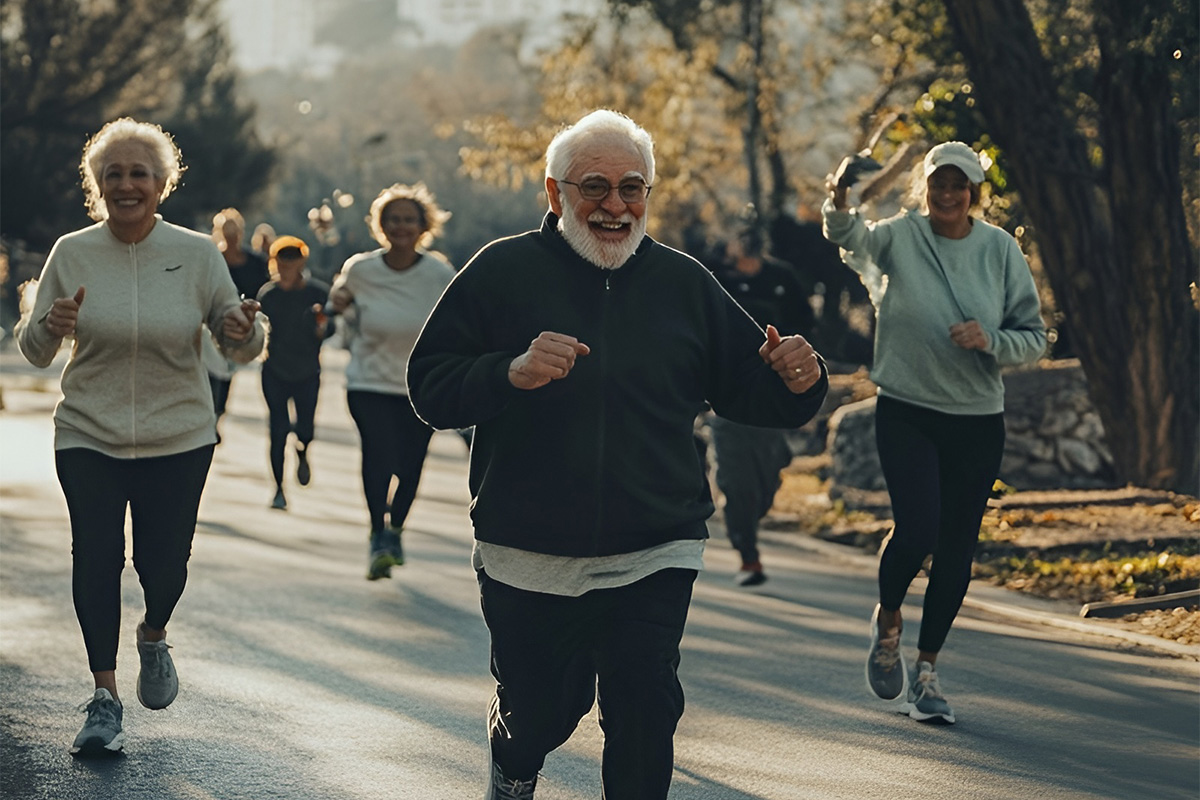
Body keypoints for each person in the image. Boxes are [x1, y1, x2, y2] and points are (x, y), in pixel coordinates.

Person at [407, 109, 828, 800]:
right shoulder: (501, 271)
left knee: (645, 707)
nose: (614, 205)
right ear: (555, 194)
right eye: (594, 187)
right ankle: (514, 760)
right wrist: (508, 372)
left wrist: (800, 380)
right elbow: (430, 386)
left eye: (632, 188)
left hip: (655, 543)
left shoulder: (684, 283)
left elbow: (752, 392)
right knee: (541, 711)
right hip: (528, 547)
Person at [13, 118, 264, 755]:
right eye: (114, 174)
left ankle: (153, 634)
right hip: (87, 433)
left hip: (178, 435)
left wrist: (242, 329)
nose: (127, 184)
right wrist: (51, 322)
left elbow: (238, 344)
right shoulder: (72, 251)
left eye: (139, 173)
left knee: (164, 564)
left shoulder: (199, 253)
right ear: (98, 185)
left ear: (162, 183)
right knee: (95, 558)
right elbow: (36, 351)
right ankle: (103, 697)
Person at [822, 141, 1046, 724]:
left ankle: (927, 672)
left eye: (959, 184)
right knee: (918, 527)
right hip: (908, 409)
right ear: (927, 187)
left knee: (955, 547)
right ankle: (889, 620)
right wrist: (841, 189)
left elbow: (1035, 337)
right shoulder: (901, 236)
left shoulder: (999, 250)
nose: (948, 193)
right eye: (939, 183)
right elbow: (848, 235)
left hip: (976, 419)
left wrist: (990, 340)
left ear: (975, 191)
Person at [328, 183, 455, 580]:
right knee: (378, 456)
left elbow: (459, 322)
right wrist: (336, 302)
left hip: (421, 387)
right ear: (380, 225)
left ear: (423, 226)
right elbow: (338, 299)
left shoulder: (439, 273)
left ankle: (396, 528)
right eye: (393, 219)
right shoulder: (361, 268)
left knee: (411, 465)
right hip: (368, 382)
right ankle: (377, 535)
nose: (401, 227)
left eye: (409, 220)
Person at [708, 225, 815, 586]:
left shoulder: (782, 277)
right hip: (725, 400)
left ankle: (745, 511)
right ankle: (748, 556)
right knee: (738, 482)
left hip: (772, 400)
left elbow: (807, 333)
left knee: (766, 480)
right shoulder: (713, 278)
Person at [255, 235, 333, 511]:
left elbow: (330, 327)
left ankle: (303, 451)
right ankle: (278, 489)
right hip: (274, 370)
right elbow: (258, 331)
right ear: (275, 262)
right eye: (282, 260)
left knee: (305, 428)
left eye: (293, 259)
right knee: (277, 429)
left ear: (302, 261)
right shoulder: (268, 294)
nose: (288, 265)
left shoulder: (317, 293)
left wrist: (322, 326)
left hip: (307, 372)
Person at [205, 208, 270, 440]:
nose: (231, 238)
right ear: (220, 233)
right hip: (212, 326)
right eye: (227, 233)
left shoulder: (255, 263)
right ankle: (210, 416)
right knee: (210, 371)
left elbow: (265, 293)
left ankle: (218, 412)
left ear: (241, 234)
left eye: (235, 233)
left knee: (227, 373)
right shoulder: (213, 259)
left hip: (242, 327)